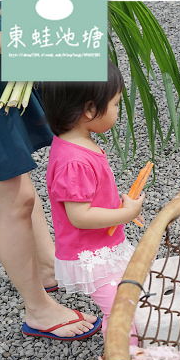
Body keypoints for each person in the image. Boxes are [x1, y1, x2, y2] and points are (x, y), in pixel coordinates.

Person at [0, 1, 101, 341]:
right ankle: (38, 309)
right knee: (14, 199)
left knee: (17, 172)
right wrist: (18, 42)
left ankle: (47, 267)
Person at [41, 60, 145, 341]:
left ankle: (129, 351)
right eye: (114, 105)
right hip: (89, 254)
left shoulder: (75, 144)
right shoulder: (74, 160)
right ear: (88, 109)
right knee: (120, 308)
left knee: (126, 297)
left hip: (102, 246)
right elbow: (80, 216)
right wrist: (125, 213)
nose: (117, 111)